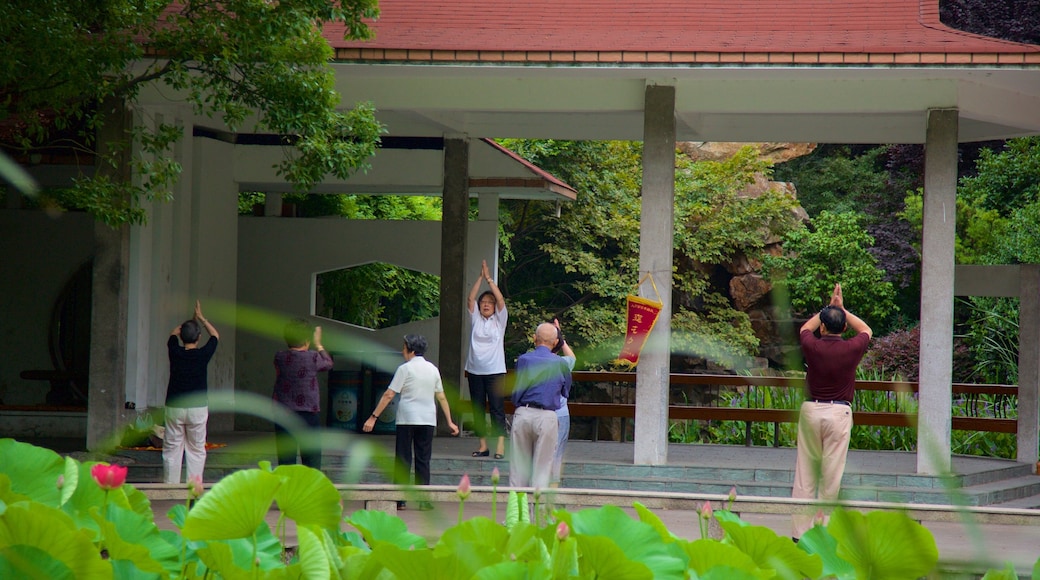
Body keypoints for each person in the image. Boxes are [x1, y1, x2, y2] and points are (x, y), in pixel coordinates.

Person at [791, 283, 872, 540]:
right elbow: (866, 330)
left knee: (805, 475)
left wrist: (829, 308)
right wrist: (841, 309)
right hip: (839, 414)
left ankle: (799, 534)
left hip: (811, 411)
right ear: (844, 328)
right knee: (831, 477)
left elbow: (805, 328)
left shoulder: (812, 346)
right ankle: (824, 534)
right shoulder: (852, 348)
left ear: (823, 327)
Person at [364, 334, 459, 510]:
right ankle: (423, 500)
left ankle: (400, 499)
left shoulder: (404, 369)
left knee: (403, 458)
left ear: (411, 350)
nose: (402, 351)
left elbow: (389, 394)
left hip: (407, 419)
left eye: (404, 347)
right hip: (427, 420)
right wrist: (450, 421)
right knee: (423, 459)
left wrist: (373, 417)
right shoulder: (433, 369)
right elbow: (441, 397)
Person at [510, 322, 572, 490]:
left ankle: (516, 515)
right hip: (548, 416)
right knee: (543, 469)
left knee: (519, 468)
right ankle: (538, 514)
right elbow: (565, 391)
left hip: (524, 412)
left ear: (534, 338)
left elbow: (516, 390)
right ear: (555, 342)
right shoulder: (560, 363)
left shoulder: (523, 360)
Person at [163, 300, 219, 484]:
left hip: (174, 406)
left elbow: (174, 333)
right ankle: (193, 487)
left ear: (181, 337)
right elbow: (216, 335)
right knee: (196, 449)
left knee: (172, 448)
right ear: (199, 337)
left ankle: (170, 487)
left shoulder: (174, 350)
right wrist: (201, 318)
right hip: (197, 408)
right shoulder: (203, 354)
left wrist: (189, 323)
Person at [272, 318, 334, 469]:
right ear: (307, 340)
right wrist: (318, 344)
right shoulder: (313, 357)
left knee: (286, 459)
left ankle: (287, 491)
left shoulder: (279, 357)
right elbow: (328, 363)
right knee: (311, 457)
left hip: (283, 412)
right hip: (308, 412)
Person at [465, 259, 508, 459]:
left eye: (489, 303)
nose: (486, 305)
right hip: (475, 371)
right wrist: (480, 278)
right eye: (484, 302)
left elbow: (501, 301)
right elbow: (470, 299)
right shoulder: (476, 319)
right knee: (478, 409)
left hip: (496, 371)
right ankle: (483, 446)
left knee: (497, 409)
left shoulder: (499, 321)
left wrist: (489, 280)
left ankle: (500, 447)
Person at [550, 320, 576, 487]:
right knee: (557, 450)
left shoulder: (530, 360)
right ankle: (553, 486)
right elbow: (572, 357)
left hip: (538, 412)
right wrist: (562, 339)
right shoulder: (563, 363)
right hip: (560, 413)